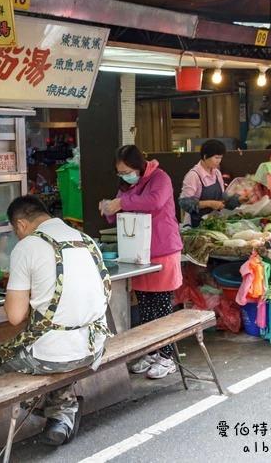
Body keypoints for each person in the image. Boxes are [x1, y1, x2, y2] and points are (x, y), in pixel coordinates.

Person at [0, 195, 111, 446]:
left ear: (20, 224)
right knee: (55, 347)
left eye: (16, 232)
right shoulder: (85, 239)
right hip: (94, 348)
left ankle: (59, 411)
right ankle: (62, 413)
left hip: (54, 356)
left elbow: (14, 316)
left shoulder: (27, 247)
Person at [100, 144, 183, 379]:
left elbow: (154, 202)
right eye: (120, 172)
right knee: (145, 307)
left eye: (127, 170)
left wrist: (122, 203)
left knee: (162, 307)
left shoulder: (160, 178)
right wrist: (107, 207)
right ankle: (150, 352)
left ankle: (167, 358)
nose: (124, 175)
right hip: (139, 255)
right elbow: (115, 211)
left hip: (163, 250)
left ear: (138, 165)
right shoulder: (128, 184)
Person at [178, 139, 240, 228]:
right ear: (205, 156)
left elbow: (222, 196)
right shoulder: (193, 175)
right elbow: (184, 202)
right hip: (195, 226)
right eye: (216, 158)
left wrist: (238, 199)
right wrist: (210, 203)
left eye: (220, 158)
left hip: (213, 223)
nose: (218, 161)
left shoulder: (217, 173)